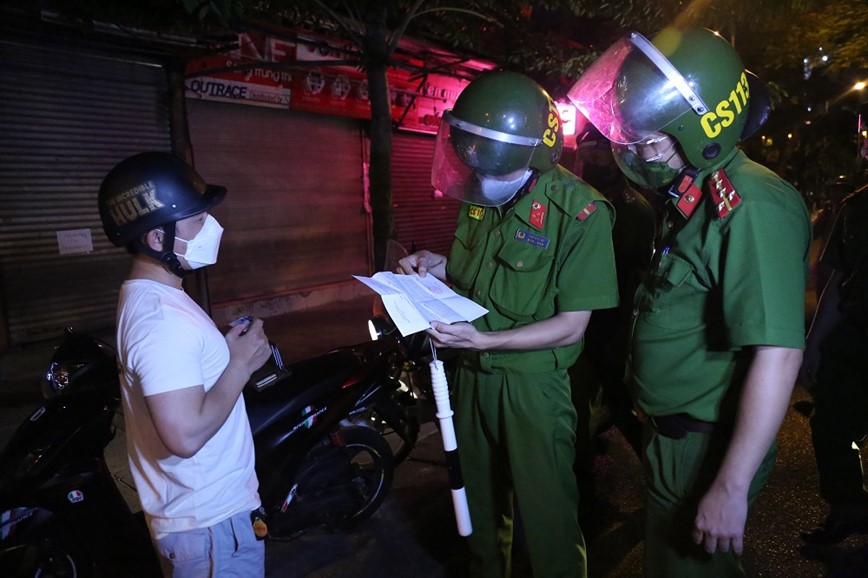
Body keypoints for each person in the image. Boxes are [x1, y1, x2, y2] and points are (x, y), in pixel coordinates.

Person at [568, 27, 811, 576]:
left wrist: (730, 485)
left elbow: (779, 354)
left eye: (649, 140)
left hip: (703, 449)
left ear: (704, 129)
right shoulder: (692, 195)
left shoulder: (751, 207)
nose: (636, 153)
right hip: (671, 438)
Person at [398, 71, 619, 578]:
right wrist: (432, 264)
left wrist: (485, 339)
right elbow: (472, 274)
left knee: (548, 521)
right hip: (472, 377)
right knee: (479, 510)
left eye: (495, 169)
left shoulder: (581, 212)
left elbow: (570, 327)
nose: (481, 181)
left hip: (533, 388)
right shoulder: (482, 188)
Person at [98, 152, 273, 577]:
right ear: (157, 239)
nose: (211, 228)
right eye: (196, 220)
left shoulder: (150, 296)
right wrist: (240, 365)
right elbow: (185, 434)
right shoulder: (161, 321)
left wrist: (223, 356)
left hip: (202, 518)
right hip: (209, 527)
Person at [800, 182, 868, 544]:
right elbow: (837, 280)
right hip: (856, 333)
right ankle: (848, 509)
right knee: (830, 424)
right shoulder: (857, 206)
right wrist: (814, 345)